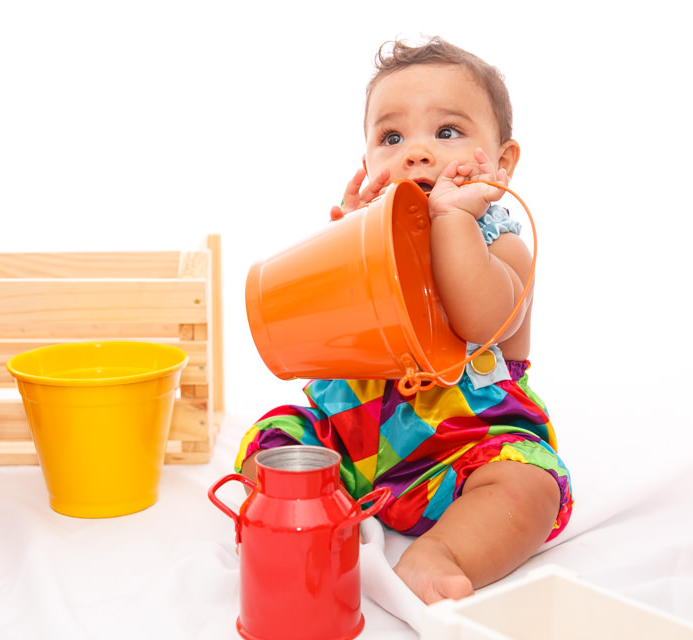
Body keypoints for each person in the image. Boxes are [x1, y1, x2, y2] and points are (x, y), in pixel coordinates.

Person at [235, 36, 573, 605]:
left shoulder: (504, 245)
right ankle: (304, 526)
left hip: (459, 453)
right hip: (348, 441)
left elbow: (478, 319)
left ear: (503, 163)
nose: (416, 152)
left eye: (447, 132)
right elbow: (328, 329)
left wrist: (452, 220)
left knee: (529, 481)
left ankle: (443, 551)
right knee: (272, 440)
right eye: (392, 138)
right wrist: (347, 239)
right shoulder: (370, 242)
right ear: (368, 164)